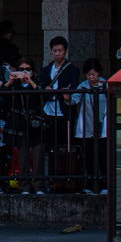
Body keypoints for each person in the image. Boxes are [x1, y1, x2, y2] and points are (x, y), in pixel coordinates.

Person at [39, 36, 79, 167]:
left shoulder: (72, 69)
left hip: (64, 111)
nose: (57, 53)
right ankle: (52, 177)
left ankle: (66, 175)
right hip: (49, 111)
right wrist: (53, 92)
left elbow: (72, 88)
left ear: (66, 51)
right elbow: (43, 87)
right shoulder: (46, 70)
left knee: (66, 144)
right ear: (51, 51)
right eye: (55, 51)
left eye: (60, 50)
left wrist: (56, 92)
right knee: (50, 146)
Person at [71, 58, 108, 194]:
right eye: (89, 75)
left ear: (99, 73)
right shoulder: (83, 86)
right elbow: (75, 100)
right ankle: (91, 183)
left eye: (94, 74)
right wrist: (67, 97)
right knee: (89, 157)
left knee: (103, 156)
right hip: (88, 125)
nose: (91, 78)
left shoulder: (106, 85)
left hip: (103, 124)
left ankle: (105, 183)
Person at [9, 57, 45, 193]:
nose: (24, 72)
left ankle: (39, 186)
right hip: (20, 124)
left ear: (33, 72)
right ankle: (24, 186)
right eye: (21, 69)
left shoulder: (36, 83)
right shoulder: (15, 85)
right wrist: (11, 80)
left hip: (36, 124)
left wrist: (30, 81)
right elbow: (4, 96)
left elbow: (43, 96)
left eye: (28, 69)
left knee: (38, 156)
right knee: (22, 156)